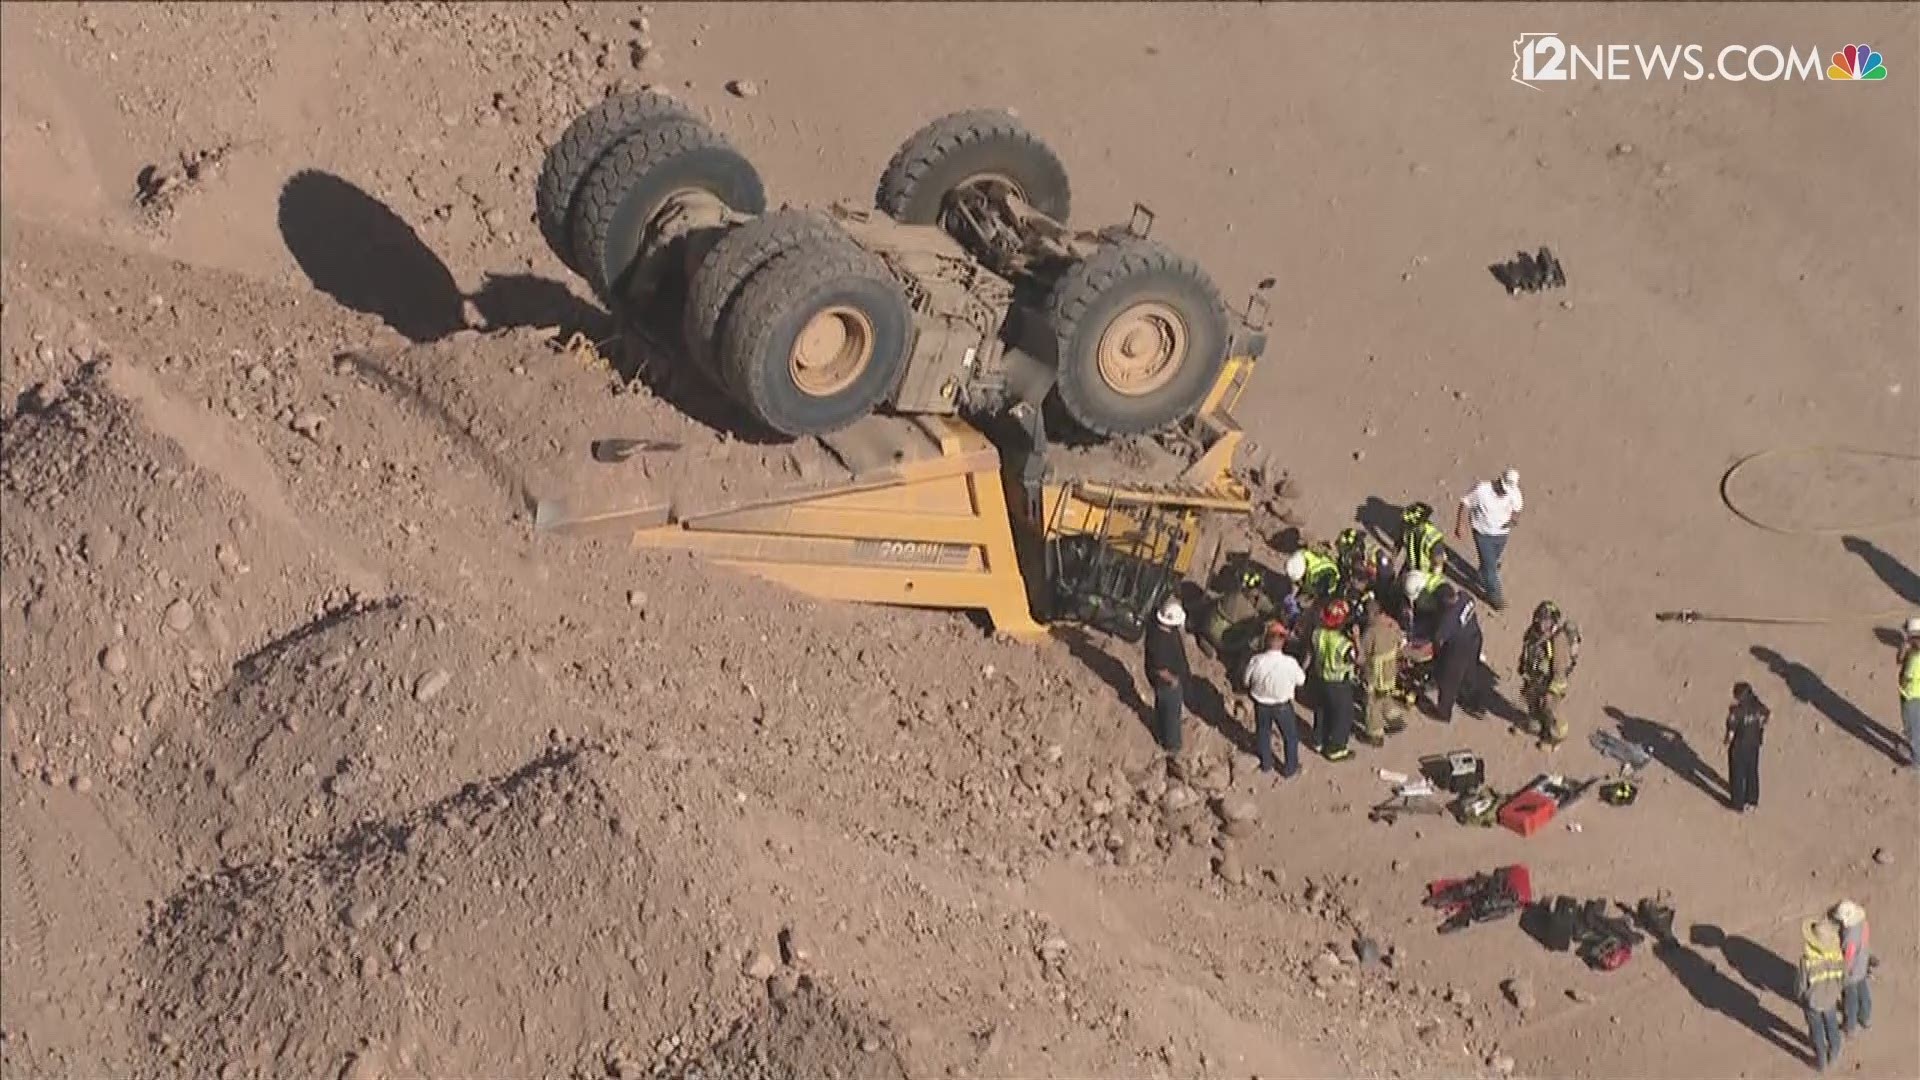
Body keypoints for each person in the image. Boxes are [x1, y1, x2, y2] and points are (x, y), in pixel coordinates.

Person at [1243, 621, 1307, 778]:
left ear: (1266, 640)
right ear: (1283, 641)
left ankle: (1266, 764)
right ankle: (1290, 768)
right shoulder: (1290, 663)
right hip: (1282, 706)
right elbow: (1301, 681)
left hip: (1261, 704)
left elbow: (1246, 680)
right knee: (1290, 737)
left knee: (1263, 734)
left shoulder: (1256, 660)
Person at [1453, 468, 1523, 611]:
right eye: (1502, 488)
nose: (1503, 492)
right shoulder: (1482, 490)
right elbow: (1464, 503)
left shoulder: (1515, 494)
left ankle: (1482, 574)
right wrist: (1460, 525)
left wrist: (1513, 520)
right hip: (1483, 534)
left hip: (1502, 535)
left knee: (1491, 562)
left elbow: (1517, 509)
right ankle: (1495, 597)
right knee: (1491, 568)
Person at [1518, 600, 1576, 749]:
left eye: (1546, 621)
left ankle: (1555, 738)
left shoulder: (1558, 641)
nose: (1541, 623)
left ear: (1553, 622)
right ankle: (1536, 725)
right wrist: (1523, 666)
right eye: (1540, 619)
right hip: (1535, 677)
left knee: (1551, 710)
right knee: (1531, 700)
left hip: (1550, 682)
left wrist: (1553, 690)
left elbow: (1560, 668)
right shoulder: (1533, 632)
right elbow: (1527, 648)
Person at [1796, 916, 1847, 1072]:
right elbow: (1843, 978)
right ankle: (1835, 1051)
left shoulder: (1807, 961)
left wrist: (1801, 998)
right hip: (1831, 999)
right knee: (1832, 1025)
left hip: (1813, 1002)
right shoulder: (1837, 956)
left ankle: (1822, 1062)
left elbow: (1801, 985)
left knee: (1817, 1030)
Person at [1356, 595, 1406, 746]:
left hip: (1375, 676)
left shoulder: (1370, 633)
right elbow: (1401, 642)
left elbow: (1360, 658)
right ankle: (1395, 719)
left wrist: (1356, 638)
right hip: (1391, 671)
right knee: (1387, 697)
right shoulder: (1392, 623)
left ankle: (1375, 735)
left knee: (1372, 705)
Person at [1311, 599, 1358, 761]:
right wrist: (1356, 639)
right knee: (1342, 715)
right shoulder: (1344, 644)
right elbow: (1359, 660)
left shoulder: (1317, 633)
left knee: (1322, 711)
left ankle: (1318, 741)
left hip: (1320, 679)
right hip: (1338, 684)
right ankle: (1336, 749)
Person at [1144, 599, 1191, 756]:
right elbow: (1160, 669)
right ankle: (1172, 746)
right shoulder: (1159, 641)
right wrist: (1173, 680)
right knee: (1170, 712)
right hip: (1167, 684)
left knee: (1163, 708)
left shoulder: (1162, 630)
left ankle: (1160, 730)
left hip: (1167, 681)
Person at [1429, 583, 1482, 722]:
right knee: (1470, 672)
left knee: (1449, 680)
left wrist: (1437, 656)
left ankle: (1443, 713)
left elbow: (1438, 639)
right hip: (1475, 637)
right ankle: (1473, 703)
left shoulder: (1448, 619)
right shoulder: (1466, 597)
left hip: (1459, 648)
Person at [1724, 681, 1769, 813]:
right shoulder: (1758, 707)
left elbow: (1731, 732)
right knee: (1752, 772)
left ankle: (1737, 803)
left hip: (1739, 747)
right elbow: (1766, 716)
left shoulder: (1736, 712)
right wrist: (1759, 728)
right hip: (1754, 745)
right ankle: (1752, 800)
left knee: (1737, 774)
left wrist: (1727, 741)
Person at [1833, 900, 1872, 1034]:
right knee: (1863, 990)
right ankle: (1866, 1017)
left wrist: (1844, 972)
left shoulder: (1849, 936)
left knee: (1850, 998)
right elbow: (1865, 938)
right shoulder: (1863, 922)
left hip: (1852, 970)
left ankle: (1850, 1026)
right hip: (1863, 961)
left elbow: (1848, 956)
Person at [1395, 502, 1447, 581]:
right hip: (1409, 566)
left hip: (1425, 575)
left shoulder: (1433, 538)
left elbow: (1438, 565)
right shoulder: (1406, 529)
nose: (1405, 525)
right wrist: (1391, 561)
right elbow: (1399, 543)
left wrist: (1432, 582)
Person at [1899, 615, 1920, 768]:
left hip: (1911, 697)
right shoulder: (1913, 653)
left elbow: (1905, 679)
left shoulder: (1914, 659)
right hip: (1915, 695)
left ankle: (1917, 761)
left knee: (1913, 731)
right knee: (1914, 725)